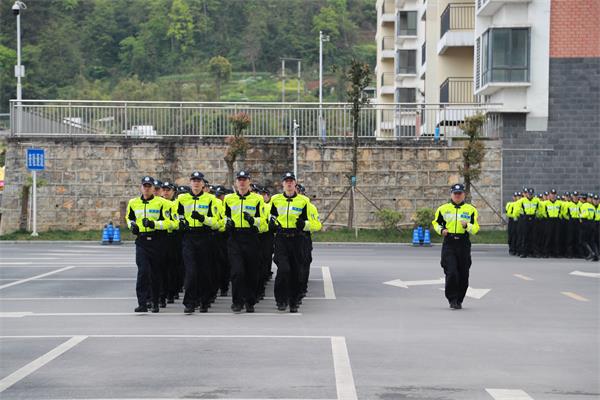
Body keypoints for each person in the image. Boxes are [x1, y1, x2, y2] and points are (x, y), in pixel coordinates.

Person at [175, 171, 222, 313]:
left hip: (205, 237)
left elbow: (217, 222)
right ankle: (189, 302)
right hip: (189, 237)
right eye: (193, 180)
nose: (196, 183)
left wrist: (203, 219)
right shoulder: (182, 199)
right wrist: (181, 222)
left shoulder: (211, 200)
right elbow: (175, 214)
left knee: (204, 271)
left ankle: (204, 300)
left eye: (198, 180)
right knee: (191, 271)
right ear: (190, 183)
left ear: (203, 184)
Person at [126, 176, 172, 313]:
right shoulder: (133, 203)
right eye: (144, 186)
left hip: (157, 240)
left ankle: (155, 301)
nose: (146, 188)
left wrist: (154, 224)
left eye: (149, 186)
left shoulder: (162, 203)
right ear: (141, 187)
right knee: (143, 272)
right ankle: (142, 303)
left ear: (153, 188)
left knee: (155, 273)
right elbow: (130, 218)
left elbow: (169, 222)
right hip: (141, 241)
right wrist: (132, 226)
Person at [223, 170, 266, 313]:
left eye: (244, 179)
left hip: (251, 237)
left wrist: (253, 220)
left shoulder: (257, 199)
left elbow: (263, 220)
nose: (242, 182)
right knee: (237, 272)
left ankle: (250, 301)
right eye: (239, 180)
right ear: (236, 182)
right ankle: (237, 302)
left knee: (251, 272)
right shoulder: (229, 199)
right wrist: (226, 223)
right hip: (235, 238)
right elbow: (223, 216)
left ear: (249, 182)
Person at [270, 172, 314, 313]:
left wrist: (304, 225)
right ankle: (281, 300)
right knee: (283, 269)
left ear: (295, 183)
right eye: (286, 181)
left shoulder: (303, 201)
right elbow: (269, 216)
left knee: (296, 271)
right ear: (282, 184)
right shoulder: (275, 200)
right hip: (282, 238)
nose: (289, 183)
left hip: (297, 239)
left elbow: (312, 223)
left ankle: (293, 301)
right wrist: (271, 223)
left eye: (291, 181)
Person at [431, 183, 480, 310]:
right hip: (449, 242)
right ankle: (452, 299)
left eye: (460, 194)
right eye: (455, 194)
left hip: (463, 243)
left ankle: (459, 299)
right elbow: (436, 223)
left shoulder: (471, 210)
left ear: (464, 194)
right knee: (451, 272)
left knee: (463, 273)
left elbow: (475, 228)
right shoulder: (443, 209)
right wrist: (441, 230)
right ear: (451, 194)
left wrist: (467, 226)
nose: (457, 196)